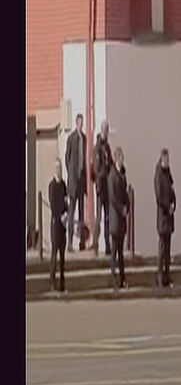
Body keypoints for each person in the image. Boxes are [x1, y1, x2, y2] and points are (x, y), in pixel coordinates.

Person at [64, 114, 88, 251]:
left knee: (81, 214)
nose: (81, 125)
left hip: (81, 180)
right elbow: (67, 158)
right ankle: (70, 242)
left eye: (82, 122)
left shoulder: (83, 138)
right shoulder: (71, 138)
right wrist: (72, 174)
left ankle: (82, 242)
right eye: (79, 122)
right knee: (71, 212)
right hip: (73, 180)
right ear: (76, 123)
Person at [107, 147, 129, 289]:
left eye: (123, 157)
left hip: (121, 219)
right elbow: (113, 197)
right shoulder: (112, 175)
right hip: (115, 218)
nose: (122, 160)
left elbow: (125, 193)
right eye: (120, 158)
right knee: (114, 251)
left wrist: (127, 206)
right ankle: (114, 279)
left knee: (120, 251)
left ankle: (122, 278)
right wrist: (121, 208)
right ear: (116, 159)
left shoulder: (122, 174)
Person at [154, 149, 176, 288]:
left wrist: (174, 204)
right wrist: (168, 206)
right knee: (162, 248)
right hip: (163, 216)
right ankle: (160, 277)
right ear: (161, 159)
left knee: (168, 248)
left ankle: (168, 276)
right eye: (165, 160)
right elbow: (159, 196)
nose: (167, 162)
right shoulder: (158, 175)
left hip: (170, 215)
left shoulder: (168, 174)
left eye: (168, 160)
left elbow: (172, 190)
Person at [91, 120, 113, 255]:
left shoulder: (107, 148)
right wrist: (103, 176)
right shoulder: (97, 147)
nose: (106, 133)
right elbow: (97, 169)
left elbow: (109, 164)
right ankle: (95, 244)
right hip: (100, 187)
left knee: (107, 217)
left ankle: (107, 244)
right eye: (104, 130)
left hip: (107, 187)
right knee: (99, 217)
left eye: (107, 130)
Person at [48, 158, 68, 292]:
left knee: (62, 255)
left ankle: (62, 283)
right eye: (57, 168)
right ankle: (52, 282)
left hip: (63, 224)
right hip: (56, 223)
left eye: (60, 168)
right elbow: (53, 204)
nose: (58, 170)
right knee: (55, 252)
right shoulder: (52, 185)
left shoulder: (63, 185)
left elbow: (66, 201)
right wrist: (60, 216)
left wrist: (66, 214)